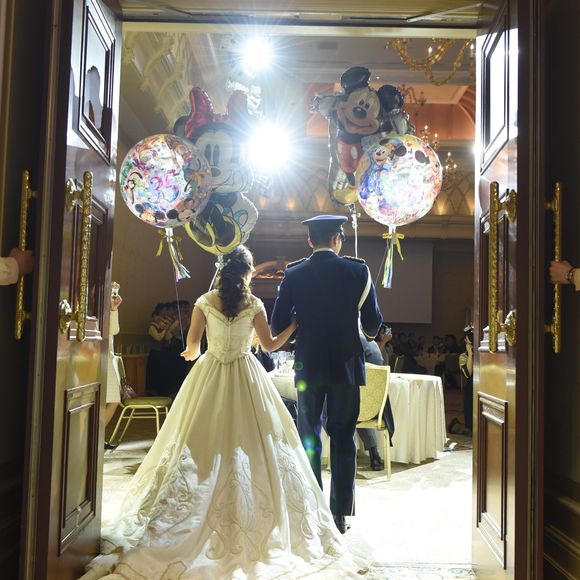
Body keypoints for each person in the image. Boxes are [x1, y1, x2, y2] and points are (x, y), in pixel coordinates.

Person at [86, 245, 363, 579]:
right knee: (257, 443)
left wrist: (191, 355)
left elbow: (192, 347)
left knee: (199, 441)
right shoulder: (255, 304)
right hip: (247, 374)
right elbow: (271, 345)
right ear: (247, 273)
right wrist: (293, 325)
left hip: (211, 372)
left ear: (223, 271)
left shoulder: (204, 301)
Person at [271, 214, 382, 535]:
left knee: (309, 436)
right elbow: (373, 325)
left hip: (308, 366)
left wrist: (300, 321)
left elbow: (278, 324)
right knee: (344, 438)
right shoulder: (358, 271)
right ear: (337, 239)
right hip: (347, 367)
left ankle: (313, 508)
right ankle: (340, 514)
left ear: (310, 241)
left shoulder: (294, 273)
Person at [104, 282, 123, 450]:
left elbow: (114, 330)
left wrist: (114, 309)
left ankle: (96, 435)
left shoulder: (107, 308)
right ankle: (95, 436)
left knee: (113, 400)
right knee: (112, 399)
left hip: (107, 355)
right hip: (101, 356)